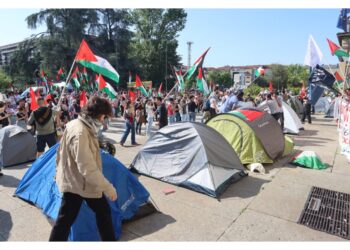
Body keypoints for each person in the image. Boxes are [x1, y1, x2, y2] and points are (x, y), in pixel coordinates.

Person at [49, 96, 117, 241]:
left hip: (76, 181)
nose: (104, 120)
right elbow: (88, 169)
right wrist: (108, 188)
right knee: (66, 222)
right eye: (104, 116)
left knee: (65, 221)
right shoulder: (81, 133)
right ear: (98, 114)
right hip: (80, 183)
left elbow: (59, 152)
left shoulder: (76, 124)